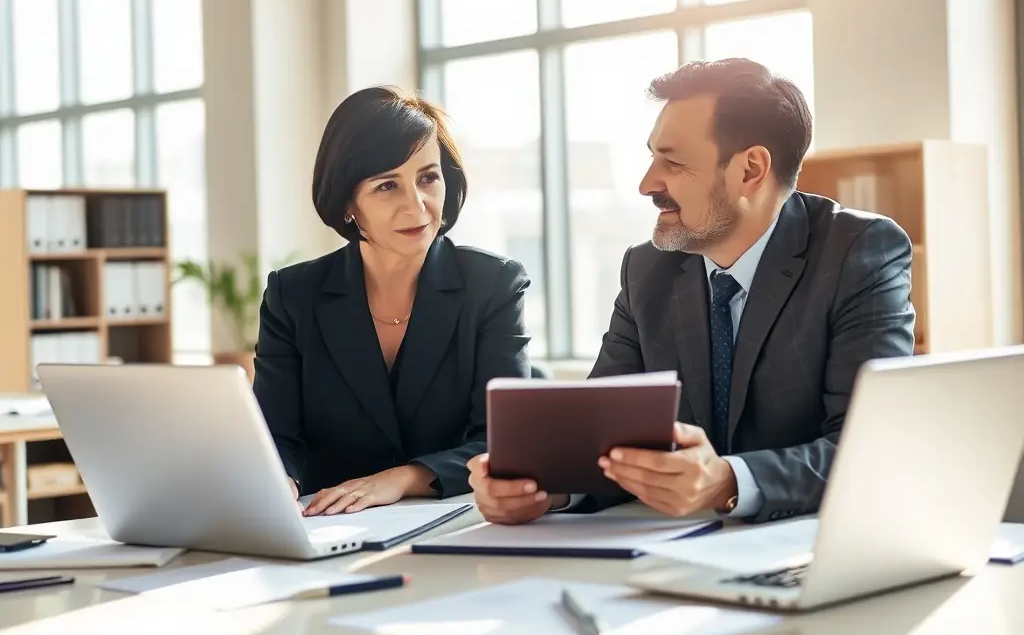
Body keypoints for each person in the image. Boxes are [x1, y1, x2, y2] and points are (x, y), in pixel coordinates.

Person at [468, 58, 915, 525]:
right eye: (651, 157)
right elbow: (601, 442)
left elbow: (870, 445)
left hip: (816, 548)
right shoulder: (646, 269)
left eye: (673, 162)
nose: (646, 184)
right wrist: (544, 487)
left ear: (750, 170)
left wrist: (728, 480)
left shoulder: (857, 253)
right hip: (674, 552)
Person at [253, 86, 531, 516]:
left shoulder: (493, 284)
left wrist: (404, 478)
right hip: (324, 524)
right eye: (386, 185)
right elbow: (275, 435)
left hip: (454, 519)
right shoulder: (293, 295)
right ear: (347, 204)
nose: (416, 205)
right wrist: (278, 485)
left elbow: (503, 437)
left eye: (427, 177)